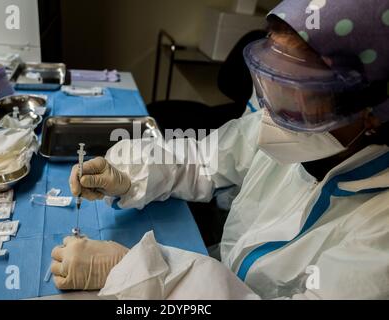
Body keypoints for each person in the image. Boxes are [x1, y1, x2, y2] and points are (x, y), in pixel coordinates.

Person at [51, 0, 389, 299]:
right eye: (270, 82)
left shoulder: (380, 233)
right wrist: (127, 174)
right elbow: (203, 160)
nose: (270, 111)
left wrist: (134, 274)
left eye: (296, 93)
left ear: (371, 111)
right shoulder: (294, 131)